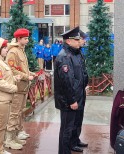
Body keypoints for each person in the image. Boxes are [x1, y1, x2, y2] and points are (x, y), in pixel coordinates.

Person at [54, 26, 88, 154]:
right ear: (68, 41)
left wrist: (85, 86)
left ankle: (71, 145)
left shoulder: (75, 53)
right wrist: (72, 100)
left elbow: (79, 75)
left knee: (73, 125)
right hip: (69, 100)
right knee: (66, 129)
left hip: (77, 95)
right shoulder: (64, 57)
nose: (79, 40)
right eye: (77, 39)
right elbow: (66, 82)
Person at [5, 28, 35, 149]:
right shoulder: (13, 52)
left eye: (27, 38)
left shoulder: (21, 50)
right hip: (17, 87)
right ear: (18, 39)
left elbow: (22, 68)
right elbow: (11, 69)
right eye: (25, 38)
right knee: (14, 113)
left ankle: (15, 135)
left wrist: (31, 73)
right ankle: (9, 140)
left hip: (23, 87)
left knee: (19, 112)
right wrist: (26, 76)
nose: (27, 40)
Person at [70, 30, 89, 152]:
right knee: (74, 119)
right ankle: (72, 143)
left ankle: (76, 139)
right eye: (82, 39)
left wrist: (85, 85)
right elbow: (70, 77)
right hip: (75, 92)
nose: (84, 41)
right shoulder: (70, 55)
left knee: (79, 118)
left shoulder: (79, 53)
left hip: (81, 90)